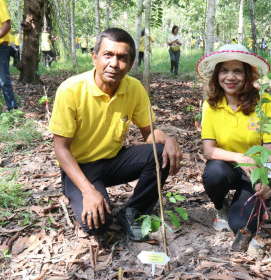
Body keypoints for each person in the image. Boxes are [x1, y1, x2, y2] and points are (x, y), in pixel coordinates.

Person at [49, 28, 183, 242]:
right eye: (108, 55)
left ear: (130, 64)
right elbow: (61, 148)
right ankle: (83, 193)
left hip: (113, 160)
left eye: (122, 58)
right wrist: (88, 191)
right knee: (97, 225)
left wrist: (168, 140)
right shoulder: (71, 91)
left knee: (160, 153)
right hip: (80, 166)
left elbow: (148, 133)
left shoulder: (135, 88)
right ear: (94, 57)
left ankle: (133, 212)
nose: (114, 63)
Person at [196, 44, 271, 245]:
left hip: (258, 170)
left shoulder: (265, 102)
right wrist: (239, 158)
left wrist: (266, 181)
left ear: (248, 74)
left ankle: (252, 204)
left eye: (237, 71)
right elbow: (209, 150)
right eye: (224, 71)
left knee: (240, 225)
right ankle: (221, 206)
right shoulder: (211, 105)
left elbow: (270, 151)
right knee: (213, 174)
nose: (230, 77)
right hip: (228, 166)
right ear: (217, 74)